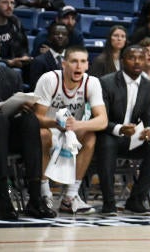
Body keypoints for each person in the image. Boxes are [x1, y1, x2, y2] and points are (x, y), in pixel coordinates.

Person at [33, 45, 108, 213]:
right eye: (74, 61)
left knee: (90, 136)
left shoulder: (92, 82)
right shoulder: (50, 79)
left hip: (71, 130)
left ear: (88, 65)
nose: (78, 66)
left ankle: (70, 196)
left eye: (82, 62)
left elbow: (102, 120)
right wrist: (56, 125)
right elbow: (36, 117)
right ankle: (44, 192)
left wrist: (77, 125)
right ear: (64, 64)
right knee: (43, 134)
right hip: (50, 128)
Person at [0, 32, 51, 219]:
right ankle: (3, 198)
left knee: (30, 120)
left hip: (4, 132)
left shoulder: (11, 75)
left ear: (0, 49)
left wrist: (22, 108)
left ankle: (35, 199)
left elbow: (15, 103)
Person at [95, 43, 150, 214]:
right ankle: (109, 202)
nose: (137, 62)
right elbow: (99, 118)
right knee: (107, 142)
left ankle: (136, 200)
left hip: (134, 139)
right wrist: (119, 129)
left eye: (141, 58)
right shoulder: (106, 82)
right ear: (122, 60)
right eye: (132, 58)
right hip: (110, 134)